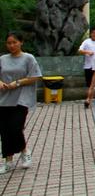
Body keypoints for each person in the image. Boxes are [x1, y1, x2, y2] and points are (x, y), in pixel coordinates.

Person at [0, 32, 41, 174]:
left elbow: (35, 76)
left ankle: (24, 151)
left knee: (15, 127)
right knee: (5, 130)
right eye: (9, 43)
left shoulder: (28, 58)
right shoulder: (2, 59)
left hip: (22, 98)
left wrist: (17, 83)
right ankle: (8, 161)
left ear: (21, 42)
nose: (11, 45)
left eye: (14, 42)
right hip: (4, 99)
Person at [79, 27, 95, 108]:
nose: (94, 34)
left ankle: (89, 99)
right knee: (90, 85)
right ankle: (89, 99)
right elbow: (80, 50)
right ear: (90, 34)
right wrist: (87, 52)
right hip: (88, 66)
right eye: (93, 32)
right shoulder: (86, 42)